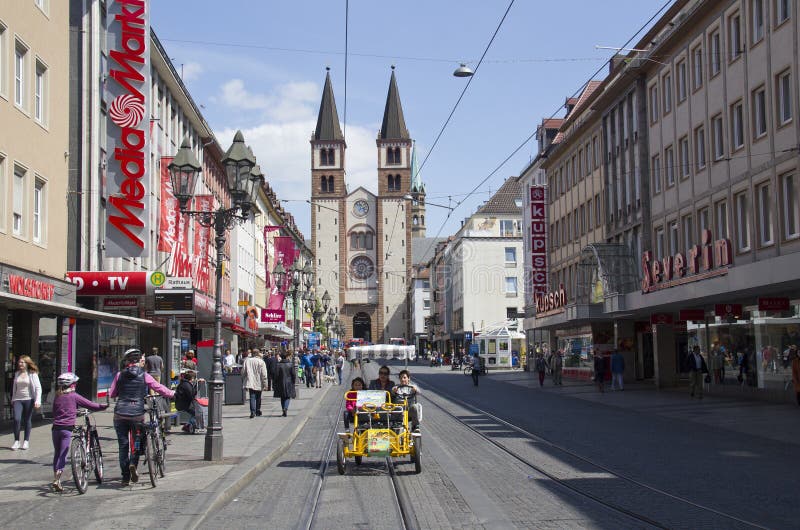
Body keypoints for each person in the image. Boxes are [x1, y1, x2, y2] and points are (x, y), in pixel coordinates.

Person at [110, 348, 174, 486]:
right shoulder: (145, 375)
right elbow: (159, 388)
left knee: (123, 446)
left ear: (127, 361)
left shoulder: (119, 375)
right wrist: (172, 393)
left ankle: (125, 477)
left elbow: (112, 393)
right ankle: (133, 463)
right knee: (136, 442)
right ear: (139, 361)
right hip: (136, 415)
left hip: (120, 414)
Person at [49, 373, 107, 491]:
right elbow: (90, 405)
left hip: (55, 428)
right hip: (67, 429)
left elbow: (55, 412)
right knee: (63, 454)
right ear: (72, 384)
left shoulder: (57, 396)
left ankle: (57, 478)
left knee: (57, 453)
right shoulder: (74, 396)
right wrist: (103, 406)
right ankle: (57, 478)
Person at [10, 355, 42, 450]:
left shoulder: (32, 374)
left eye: (22, 362)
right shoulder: (17, 374)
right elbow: (14, 387)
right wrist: (13, 399)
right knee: (17, 419)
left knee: (27, 420)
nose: (20, 364)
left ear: (27, 364)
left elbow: (38, 388)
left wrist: (37, 400)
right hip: (17, 399)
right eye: (19, 362)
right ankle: (16, 441)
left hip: (29, 399)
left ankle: (26, 441)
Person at [241, 350, 268, 418]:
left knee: (252, 397)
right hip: (259, 381)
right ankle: (258, 410)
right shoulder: (261, 362)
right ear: (258, 354)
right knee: (258, 397)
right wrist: (265, 384)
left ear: (252, 354)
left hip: (250, 381)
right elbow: (264, 374)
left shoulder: (247, 361)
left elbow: (243, 371)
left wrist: (243, 378)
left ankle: (252, 412)